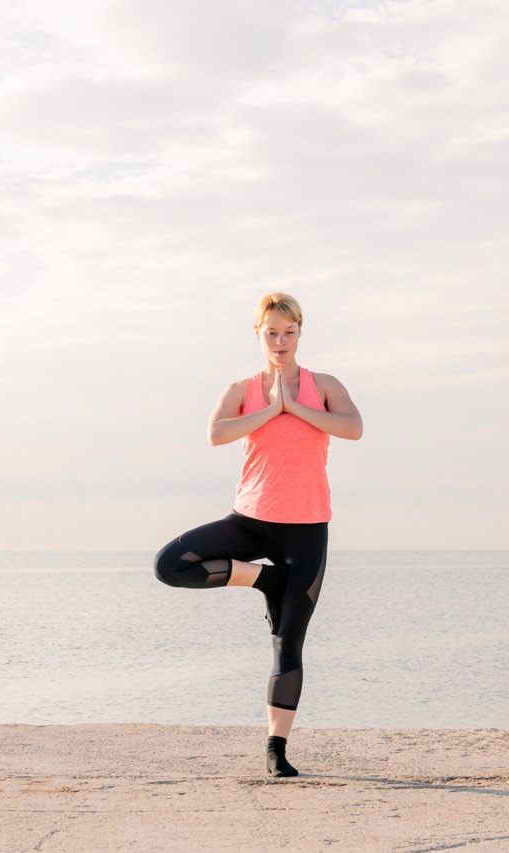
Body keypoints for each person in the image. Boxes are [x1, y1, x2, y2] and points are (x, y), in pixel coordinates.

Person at [154, 293, 362, 777]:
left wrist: (294, 406)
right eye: (271, 332)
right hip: (249, 520)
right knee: (170, 565)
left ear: (300, 333)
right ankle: (264, 580)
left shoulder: (324, 385)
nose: (280, 341)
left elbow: (353, 428)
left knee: (288, 644)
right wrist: (271, 409)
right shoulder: (242, 387)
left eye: (288, 332)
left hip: (307, 530)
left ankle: (276, 750)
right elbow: (217, 434)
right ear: (258, 334)